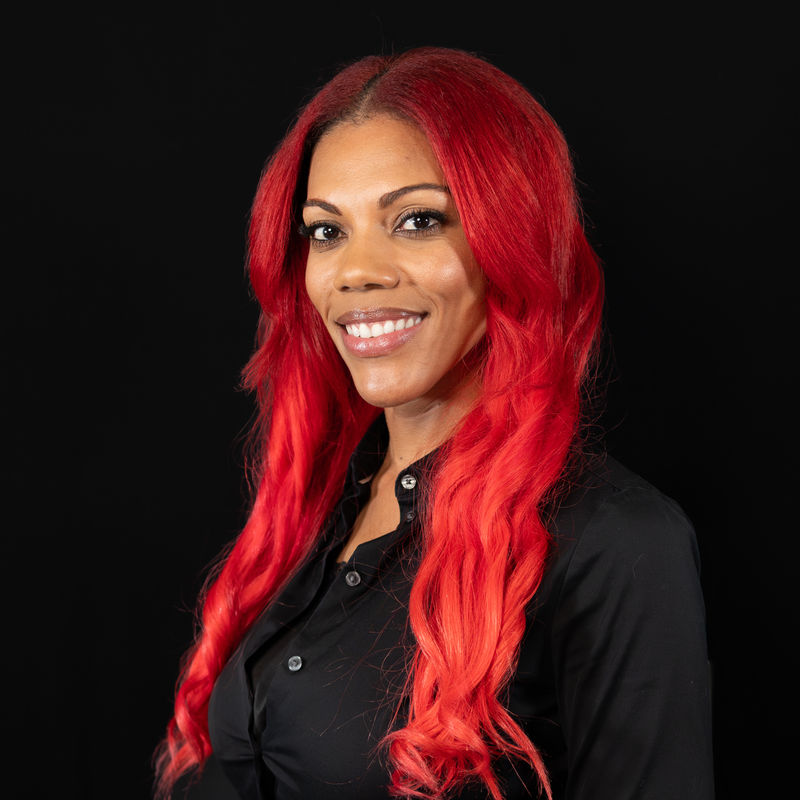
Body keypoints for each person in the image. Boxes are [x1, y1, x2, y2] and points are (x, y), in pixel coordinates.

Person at [155, 47, 714, 799]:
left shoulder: (615, 544)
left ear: (510, 240)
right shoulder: (319, 504)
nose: (357, 270)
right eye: (326, 231)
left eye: (417, 220)